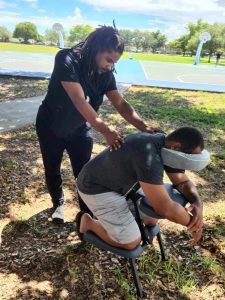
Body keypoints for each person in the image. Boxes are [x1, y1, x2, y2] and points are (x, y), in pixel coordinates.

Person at [36, 24, 160, 223]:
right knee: (52, 168)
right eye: (108, 60)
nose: (110, 66)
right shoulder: (66, 59)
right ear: (95, 49)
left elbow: (120, 103)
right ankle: (57, 203)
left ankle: (86, 214)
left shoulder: (106, 75)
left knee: (84, 173)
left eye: (114, 63)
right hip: (50, 126)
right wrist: (106, 130)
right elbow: (79, 100)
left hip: (79, 129)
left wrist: (143, 126)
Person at [76, 127, 210, 249]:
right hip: (96, 188)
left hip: (120, 183)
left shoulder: (166, 147)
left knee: (150, 216)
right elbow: (165, 207)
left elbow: (182, 182)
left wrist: (197, 203)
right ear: (176, 147)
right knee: (130, 242)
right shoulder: (148, 156)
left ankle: (108, 218)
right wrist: (194, 224)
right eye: (191, 157)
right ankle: (88, 222)